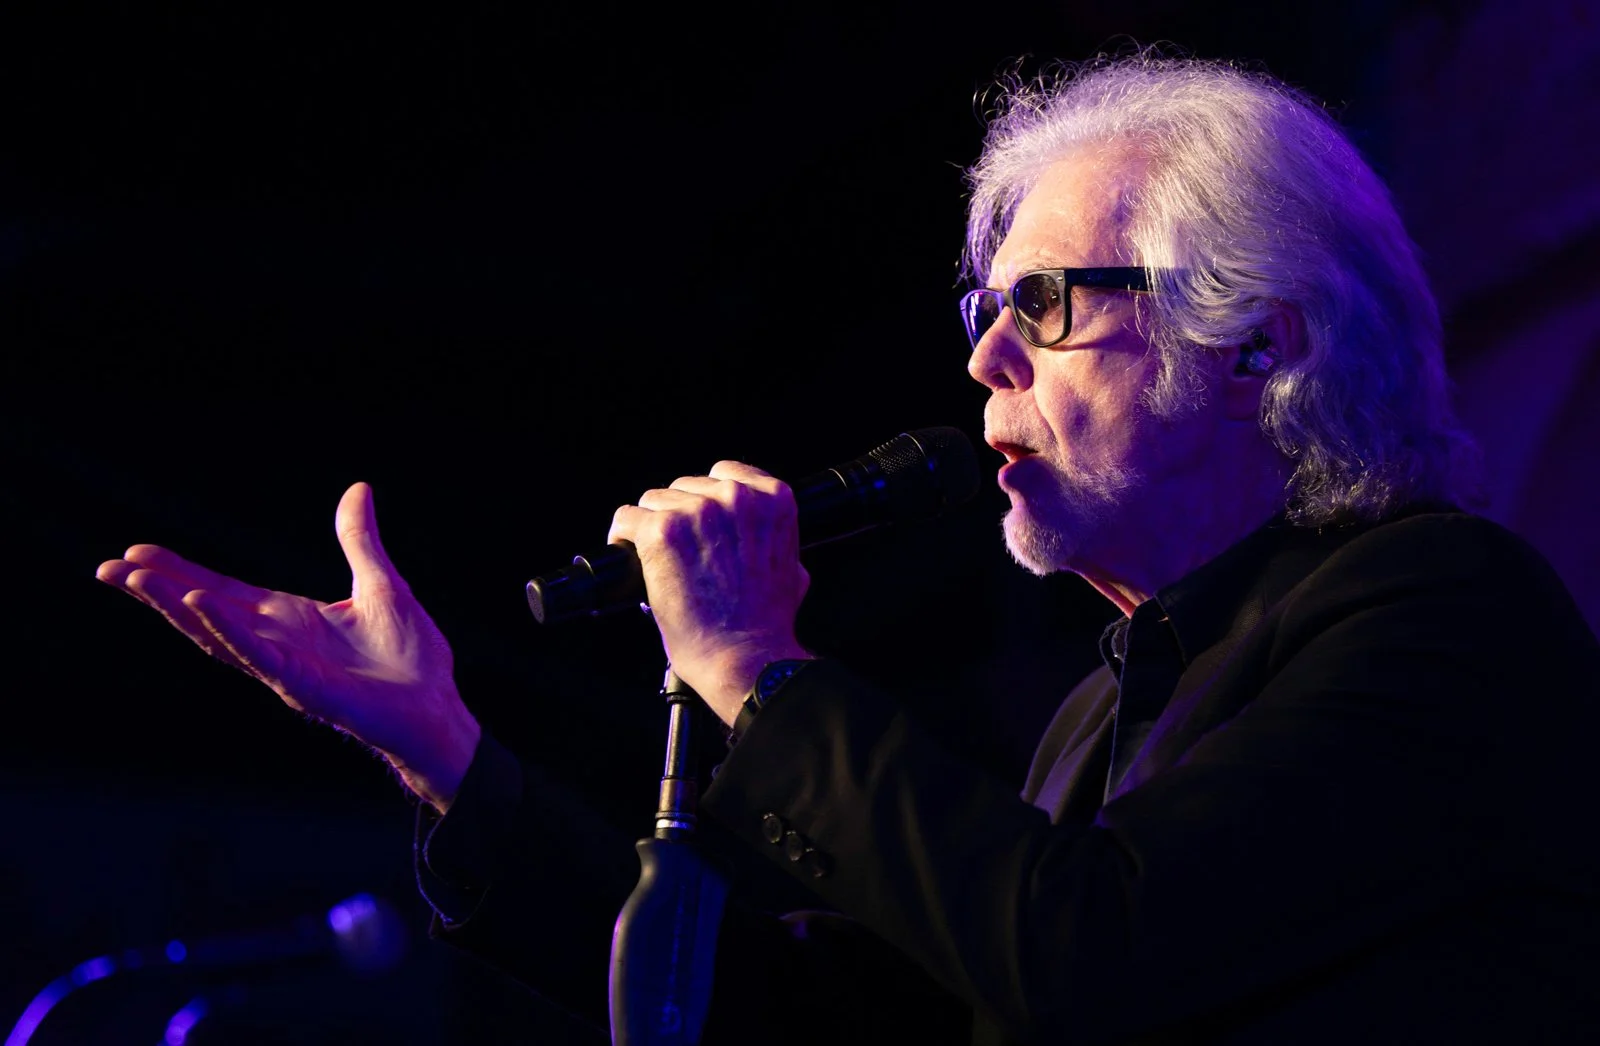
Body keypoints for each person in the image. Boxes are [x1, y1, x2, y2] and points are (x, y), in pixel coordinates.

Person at [95, 51, 1600, 1044]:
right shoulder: (1103, 710)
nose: (986, 360)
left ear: (1260, 344)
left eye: (1047, 305)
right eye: (985, 313)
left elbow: (1088, 955)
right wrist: (448, 755)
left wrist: (755, 665)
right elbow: (841, 1021)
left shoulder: (1445, 615)